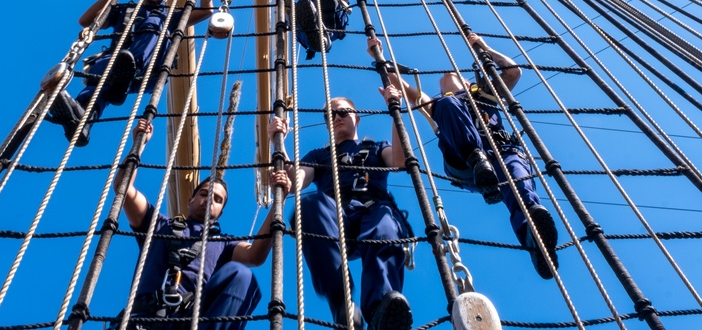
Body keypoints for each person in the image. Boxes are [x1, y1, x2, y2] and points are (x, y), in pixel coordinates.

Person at [379, 33, 560, 279]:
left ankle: (535, 238)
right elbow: (402, 85)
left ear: (466, 82)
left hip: (502, 153)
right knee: (446, 105)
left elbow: (513, 71)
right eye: (443, 81)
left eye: (451, 76)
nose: (445, 78)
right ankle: (478, 161)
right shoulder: (438, 104)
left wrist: (482, 47)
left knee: (518, 177)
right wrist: (379, 58)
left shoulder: (484, 94)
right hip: (465, 163)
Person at [267, 47, 414, 330]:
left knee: (385, 224)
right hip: (336, 219)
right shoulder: (320, 155)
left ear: (356, 117)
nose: (336, 116)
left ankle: (382, 309)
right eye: (330, 115)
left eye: (343, 112)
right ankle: (343, 306)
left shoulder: (374, 146)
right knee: (308, 206)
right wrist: (280, 143)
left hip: (374, 212)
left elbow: (397, 161)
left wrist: (396, 112)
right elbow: (300, 178)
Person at [113, 119, 288, 330]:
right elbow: (124, 189)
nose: (209, 200)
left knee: (242, 277)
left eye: (217, 199)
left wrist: (279, 201)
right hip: (145, 320)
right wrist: (138, 144)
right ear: (191, 200)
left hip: (191, 321)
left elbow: (255, 255)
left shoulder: (223, 244)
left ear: (221, 212)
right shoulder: (158, 225)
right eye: (204, 194)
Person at [49, 0, 214, 146]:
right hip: (114, 69)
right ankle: (81, 120)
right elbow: (85, 21)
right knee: (98, 84)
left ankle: (129, 68)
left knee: (155, 22)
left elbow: (207, 11)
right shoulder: (125, 10)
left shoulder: (170, 17)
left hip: (148, 71)